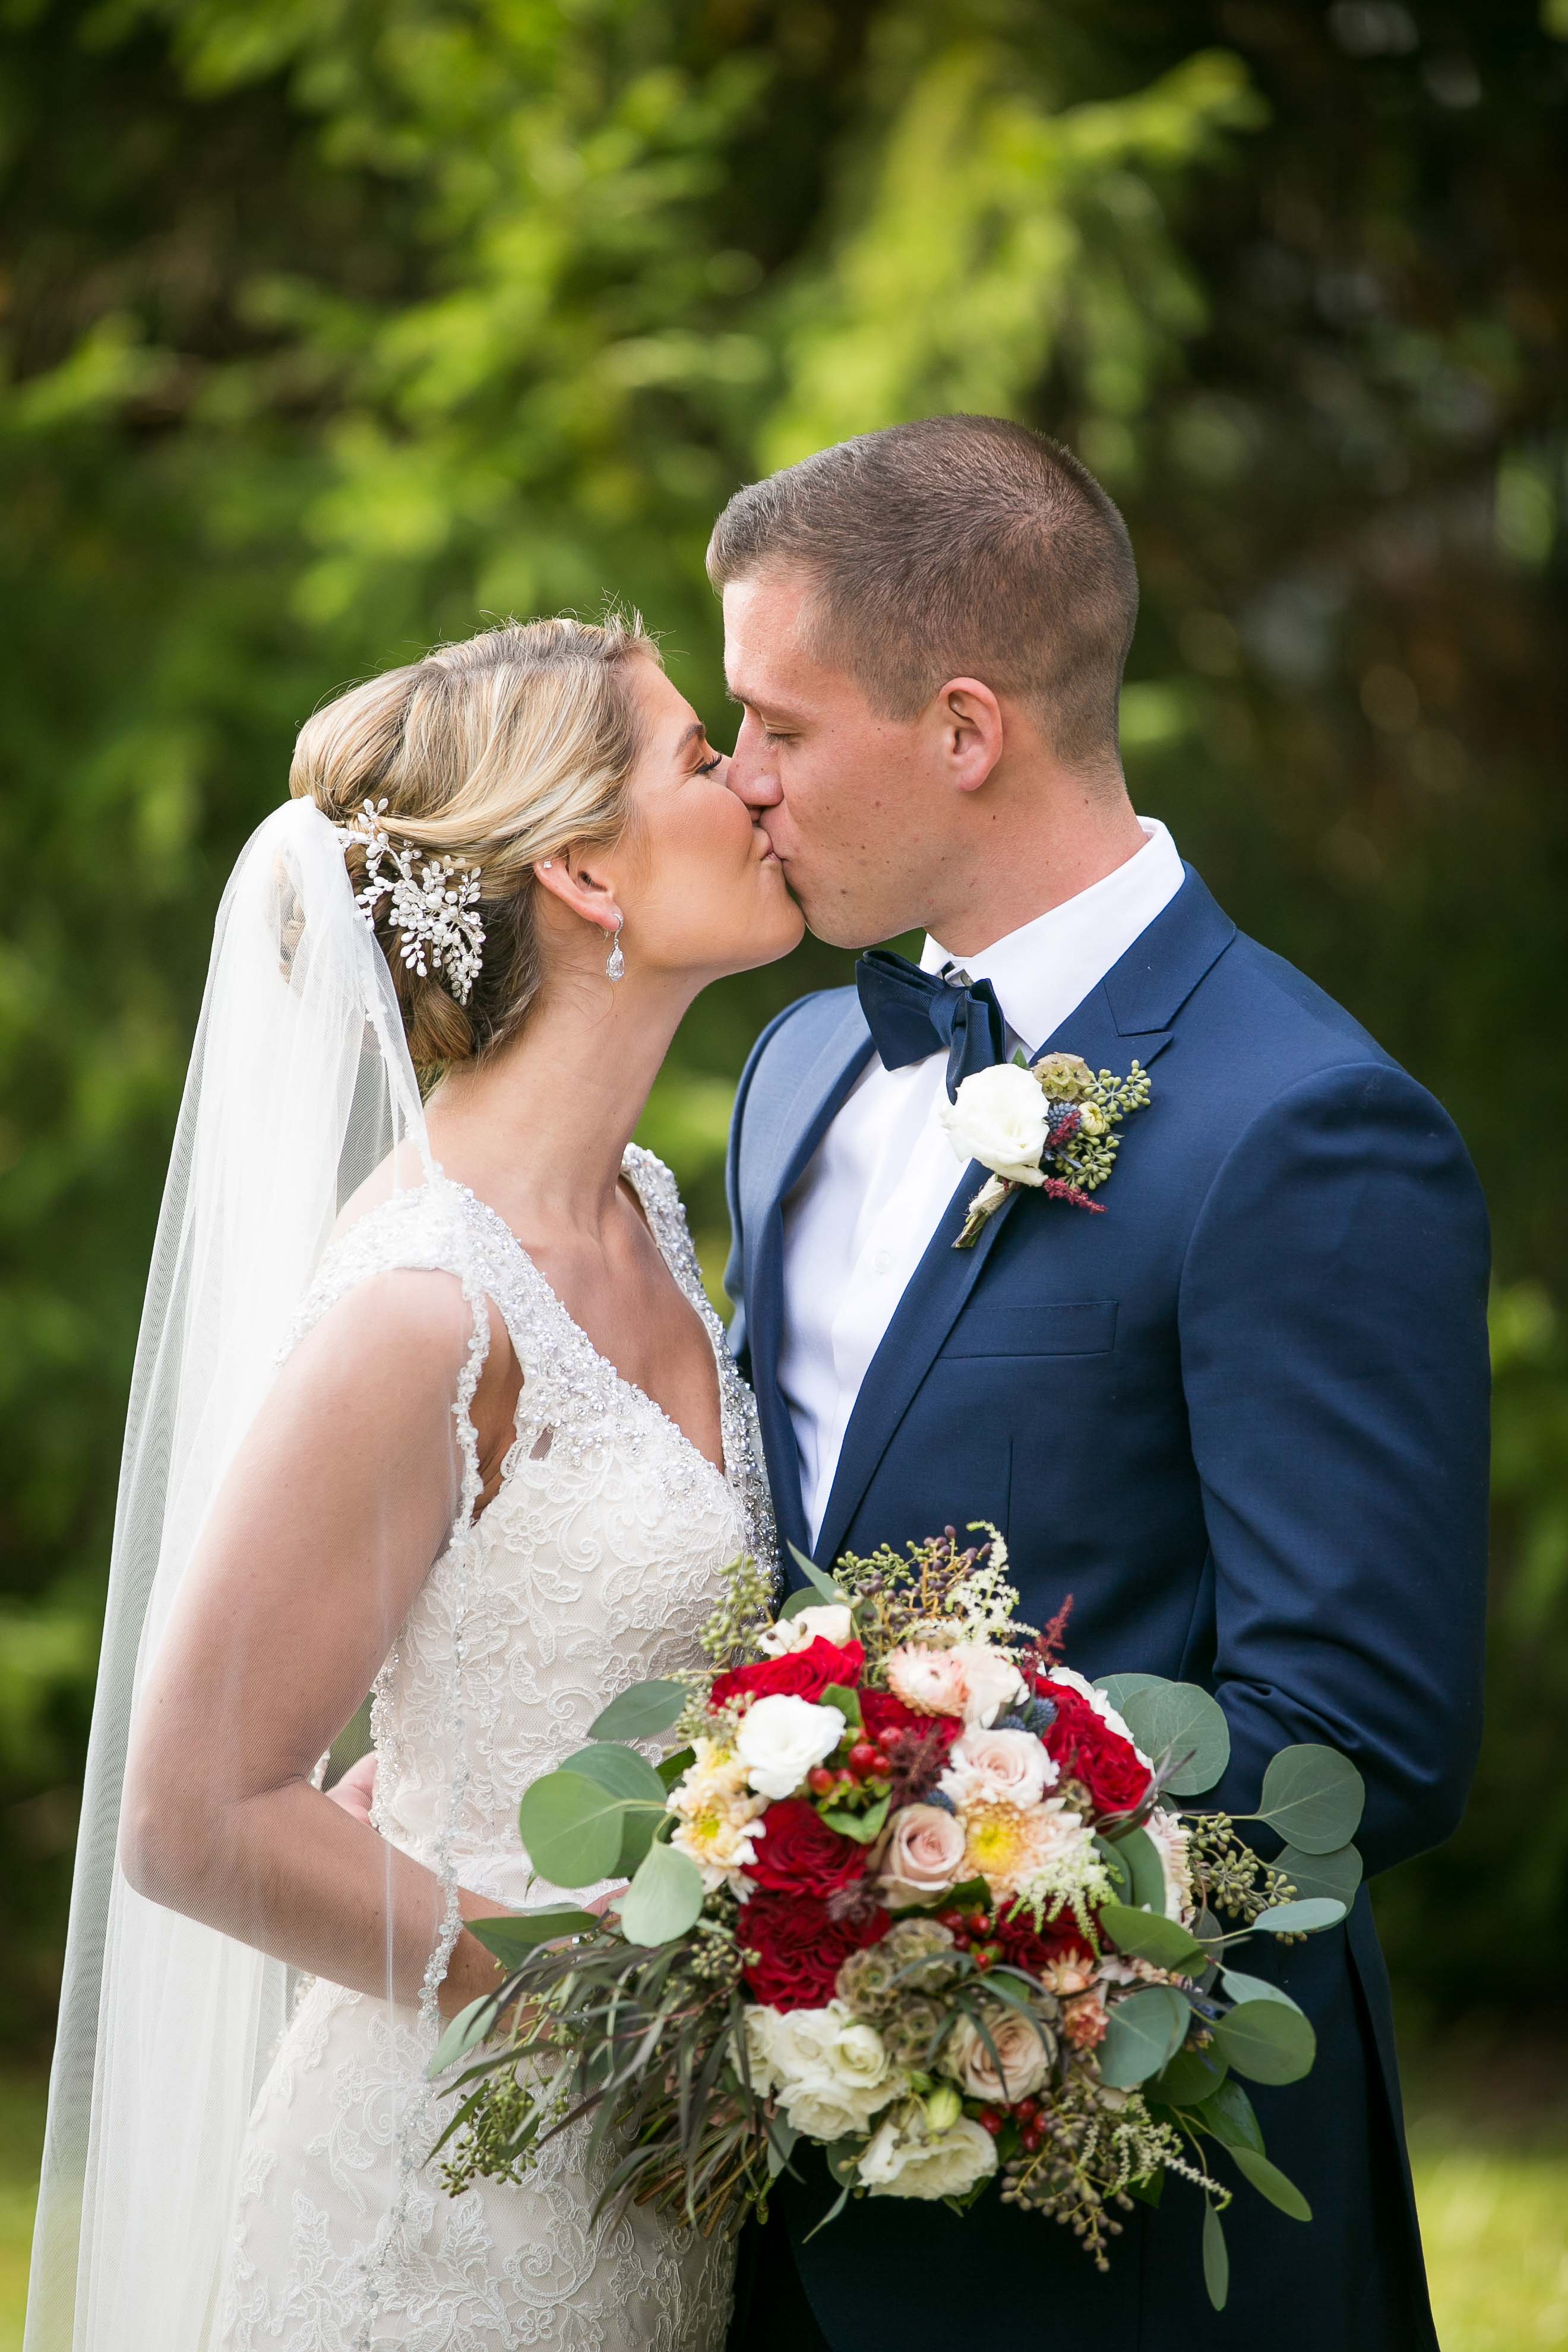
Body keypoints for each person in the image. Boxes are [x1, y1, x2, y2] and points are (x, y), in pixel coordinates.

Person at [716, 415, 1490, 2349]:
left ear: (966, 730)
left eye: (781, 726)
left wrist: (924, 1917)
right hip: (763, 2214)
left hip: (1133, 2230)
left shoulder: (1303, 1126)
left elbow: (1356, 1741)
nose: (741, 781)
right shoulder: (799, 1073)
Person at [25, 615, 800, 2351]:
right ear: (583, 871)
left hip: (650, 2196)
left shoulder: (646, 1210)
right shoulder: (426, 1302)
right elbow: (190, 1816)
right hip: (445, 2209)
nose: (755, 782)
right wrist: (583, 1998)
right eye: (700, 756)